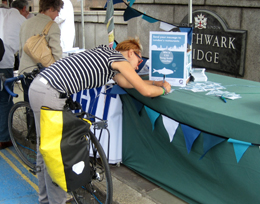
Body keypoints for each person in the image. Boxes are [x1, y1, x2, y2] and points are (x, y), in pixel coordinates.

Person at [28, 37, 171, 203]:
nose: (139, 65)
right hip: (50, 94)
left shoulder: (107, 53)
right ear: (131, 52)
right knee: (56, 154)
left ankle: (45, 199)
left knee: (44, 149)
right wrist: (163, 89)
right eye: (139, 59)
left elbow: (125, 82)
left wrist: (154, 81)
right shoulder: (118, 59)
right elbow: (145, 91)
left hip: (41, 86)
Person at [19, 0, 63, 103]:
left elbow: (21, 49)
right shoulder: (52, 26)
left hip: (24, 71)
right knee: (43, 109)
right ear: (50, 8)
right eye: (57, 11)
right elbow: (57, 54)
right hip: (41, 74)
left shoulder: (26, 23)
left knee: (28, 106)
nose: (57, 15)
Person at [0, 6, 26, 149]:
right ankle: (4, 137)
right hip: (4, 63)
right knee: (5, 100)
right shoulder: (18, 18)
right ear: (23, 8)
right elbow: (19, 45)